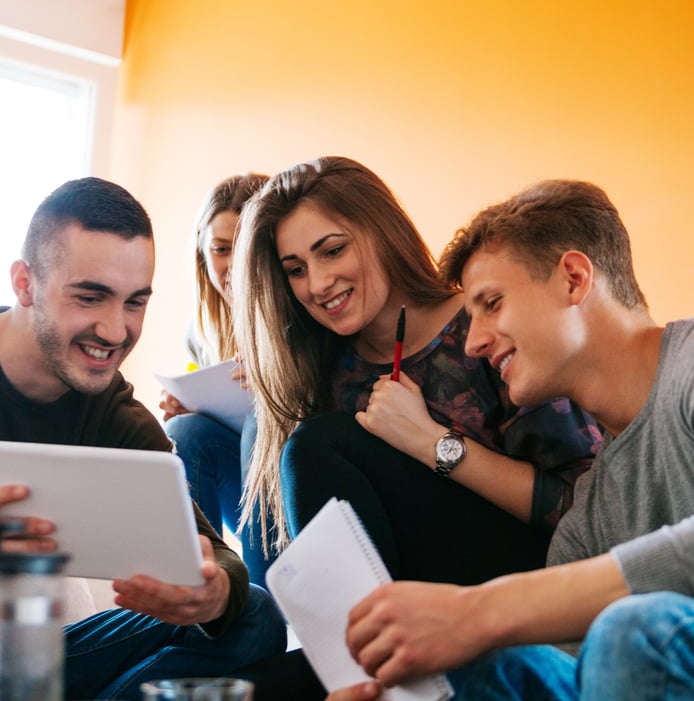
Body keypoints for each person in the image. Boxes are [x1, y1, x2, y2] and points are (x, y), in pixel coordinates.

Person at [324, 178, 694, 700]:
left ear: (574, 280)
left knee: (634, 629)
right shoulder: (589, 516)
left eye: (492, 303)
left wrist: (477, 610)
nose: (473, 341)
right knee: (479, 670)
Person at [233, 156, 601, 587]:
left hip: (529, 580)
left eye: (333, 251)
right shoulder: (323, 369)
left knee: (313, 445)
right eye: (296, 270)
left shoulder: (486, 327)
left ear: (383, 232)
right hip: (405, 599)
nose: (317, 284)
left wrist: (432, 443)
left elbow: (584, 506)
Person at [0, 177, 287, 701]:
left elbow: (213, 554)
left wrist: (212, 592)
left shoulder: (109, 410)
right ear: (25, 283)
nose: (115, 331)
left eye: (135, 303)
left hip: (31, 663)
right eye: (91, 297)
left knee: (252, 613)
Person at [160, 173, 274, 587]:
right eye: (222, 249)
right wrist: (188, 405)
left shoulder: (306, 312)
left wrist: (275, 384)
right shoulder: (202, 331)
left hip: (301, 497)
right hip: (244, 494)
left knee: (263, 422)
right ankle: (203, 589)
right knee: (183, 431)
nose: (234, 265)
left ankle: (266, 603)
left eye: (247, 248)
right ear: (202, 254)